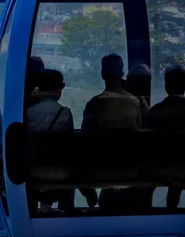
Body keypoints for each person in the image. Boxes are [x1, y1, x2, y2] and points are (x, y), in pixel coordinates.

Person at [82, 54, 145, 212]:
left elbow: (84, 139)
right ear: (122, 75)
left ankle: (91, 195)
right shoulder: (136, 103)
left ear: (102, 74)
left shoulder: (94, 104)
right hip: (131, 168)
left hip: (101, 169)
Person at [144, 64, 185, 209]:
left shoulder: (155, 111)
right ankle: (172, 209)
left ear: (166, 86)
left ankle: (147, 211)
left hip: (157, 170)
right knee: (177, 178)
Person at [26, 69, 74, 213]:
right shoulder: (65, 112)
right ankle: (67, 212)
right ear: (61, 87)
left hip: (32, 169)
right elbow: (70, 143)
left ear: (38, 87)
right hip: (59, 170)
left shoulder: (28, 113)